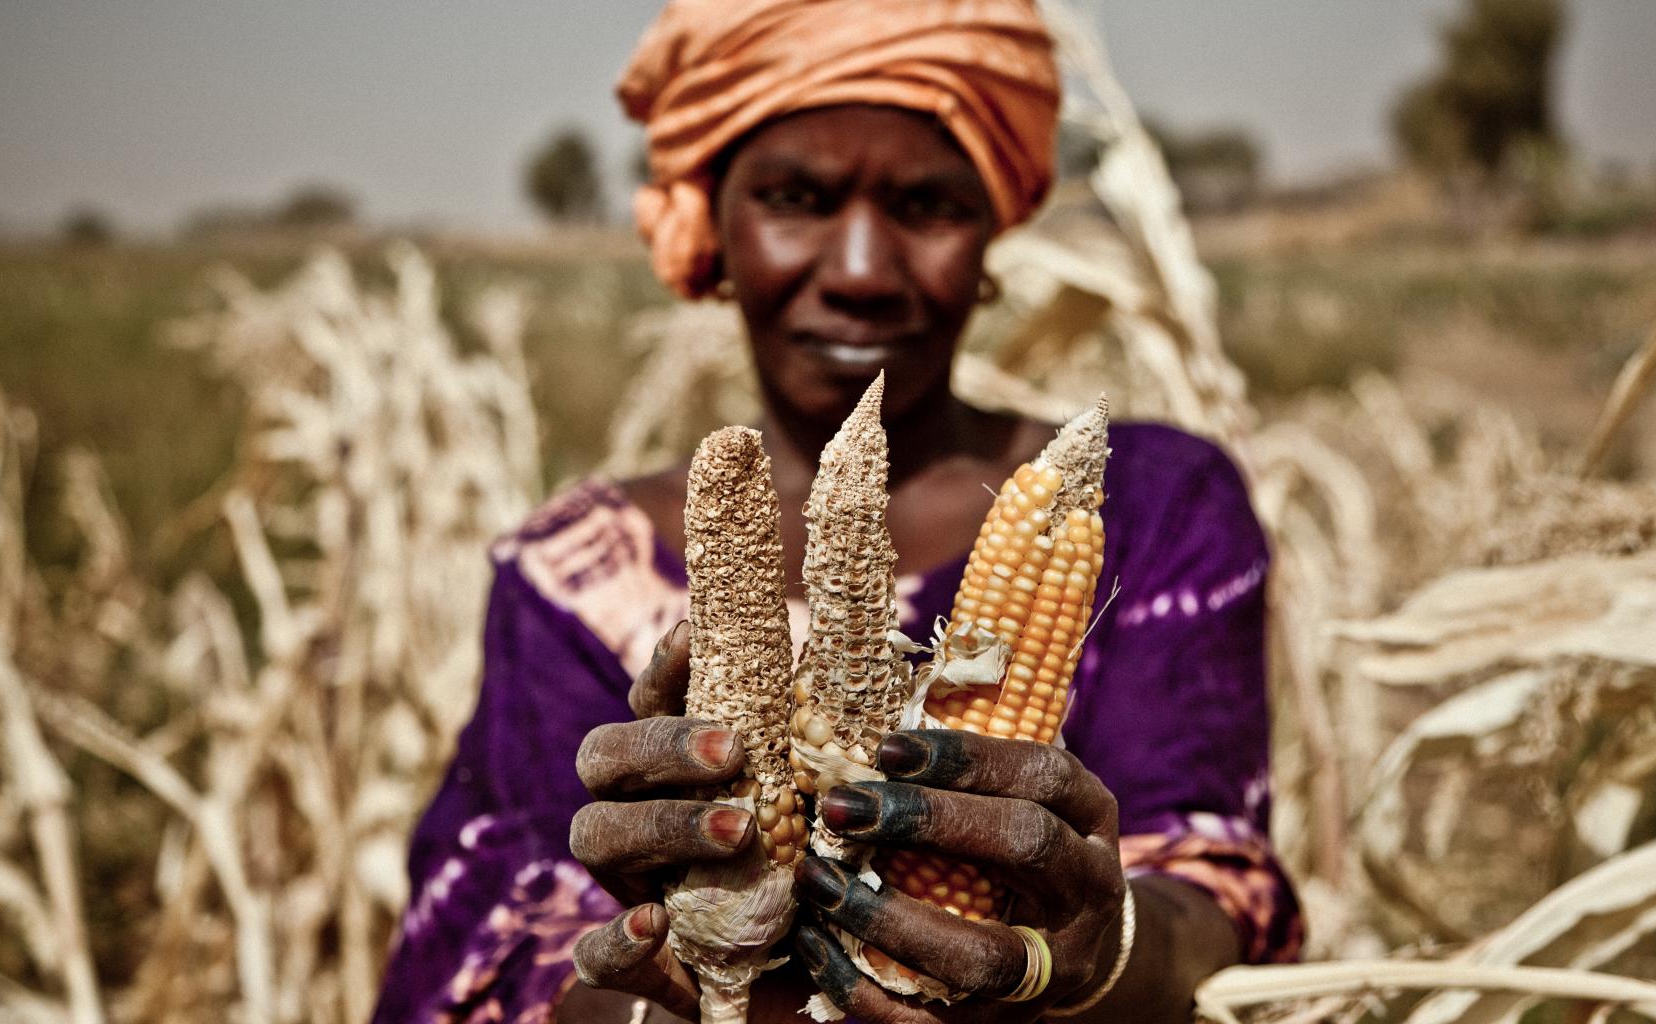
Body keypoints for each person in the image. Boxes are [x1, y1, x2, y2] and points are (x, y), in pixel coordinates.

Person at [372, 1, 1301, 1021]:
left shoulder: (1153, 504)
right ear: (710, 225)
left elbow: (1214, 886)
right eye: (795, 197)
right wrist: (697, 981)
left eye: (926, 206)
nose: (860, 270)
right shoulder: (563, 576)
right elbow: (493, 932)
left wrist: (1088, 954)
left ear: (992, 233)